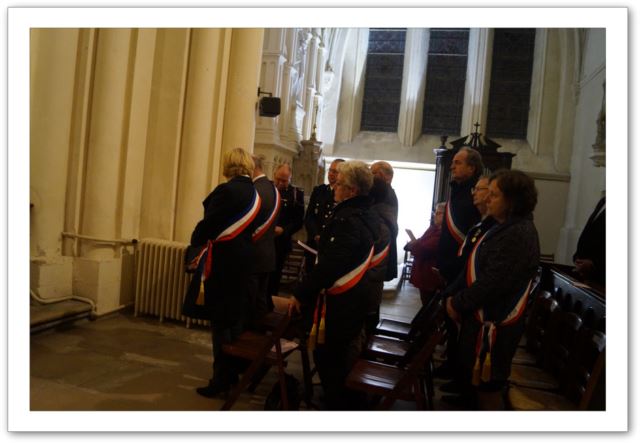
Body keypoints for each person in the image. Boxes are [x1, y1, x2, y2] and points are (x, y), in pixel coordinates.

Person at [446, 169, 540, 410]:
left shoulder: (517, 234)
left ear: (512, 201)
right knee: (475, 388)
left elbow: (493, 282)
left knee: (487, 390)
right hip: (482, 319)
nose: (487, 199)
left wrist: (458, 302)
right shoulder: (503, 227)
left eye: (494, 195)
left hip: (495, 324)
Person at [290, 161, 378, 410]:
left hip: (343, 301)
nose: (334, 187)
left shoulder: (348, 219)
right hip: (354, 298)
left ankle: (337, 404)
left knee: (331, 355)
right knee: (337, 353)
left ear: (351, 190)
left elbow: (332, 265)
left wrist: (301, 292)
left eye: (339, 184)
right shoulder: (364, 213)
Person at [186, 147, 262, 398]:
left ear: (228, 165)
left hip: (224, 263)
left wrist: (195, 239)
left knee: (220, 323)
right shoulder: (254, 193)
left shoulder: (226, 191)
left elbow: (209, 224)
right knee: (234, 322)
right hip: (244, 263)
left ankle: (221, 379)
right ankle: (231, 374)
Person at [435, 147, 483, 379]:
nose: (452, 166)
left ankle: (458, 370)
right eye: (452, 162)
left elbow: (470, 237)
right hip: (450, 268)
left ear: (472, 168)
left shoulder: (472, 196)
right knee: (450, 321)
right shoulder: (458, 191)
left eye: (458, 162)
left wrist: (456, 266)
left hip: (460, 269)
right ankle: (451, 363)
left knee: (458, 322)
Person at [247, 154, 282, 327]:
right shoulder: (273, 189)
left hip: (253, 254)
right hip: (267, 254)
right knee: (261, 300)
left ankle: (249, 337)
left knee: (250, 302)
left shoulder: (255, 190)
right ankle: (260, 335)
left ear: (252, 168)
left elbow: (249, 224)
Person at [268, 164, 304, 300]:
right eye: (278, 179)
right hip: (264, 239)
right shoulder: (267, 188)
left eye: (284, 180)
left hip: (281, 241)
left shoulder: (296, 194)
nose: (280, 183)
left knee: (275, 274)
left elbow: (299, 221)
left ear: (290, 178)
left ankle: (271, 301)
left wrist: (284, 230)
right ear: (274, 175)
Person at [303, 158, 345, 273]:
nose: (331, 174)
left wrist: (325, 238)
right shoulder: (319, 191)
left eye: (335, 172)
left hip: (330, 248)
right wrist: (315, 234)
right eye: (330, 170)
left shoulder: (344, 195)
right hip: (314, 244)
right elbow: (309, 216)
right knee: (309, 275)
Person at [404, 202, 446, 307]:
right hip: (423, 273)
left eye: (438, 213)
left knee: (429, 306)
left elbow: (423, 249)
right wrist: (414, 244)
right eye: (435, 213)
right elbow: (421, 241)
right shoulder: (433, 228)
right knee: (425, 303)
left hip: (430, 277)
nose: (435, 215)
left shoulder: (443, 233)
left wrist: (414, 244)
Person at [370, 161, 399, 281]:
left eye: (373, 173)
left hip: (379, 244)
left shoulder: (385, 194)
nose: (370, 176)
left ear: (386, 176)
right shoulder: (387, 192)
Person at [573, 194, 605, 287]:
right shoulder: (603, 201)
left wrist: (594, 264)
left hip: (601, 279)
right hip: (586, 275)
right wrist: (578, 256)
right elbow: (589, 232)